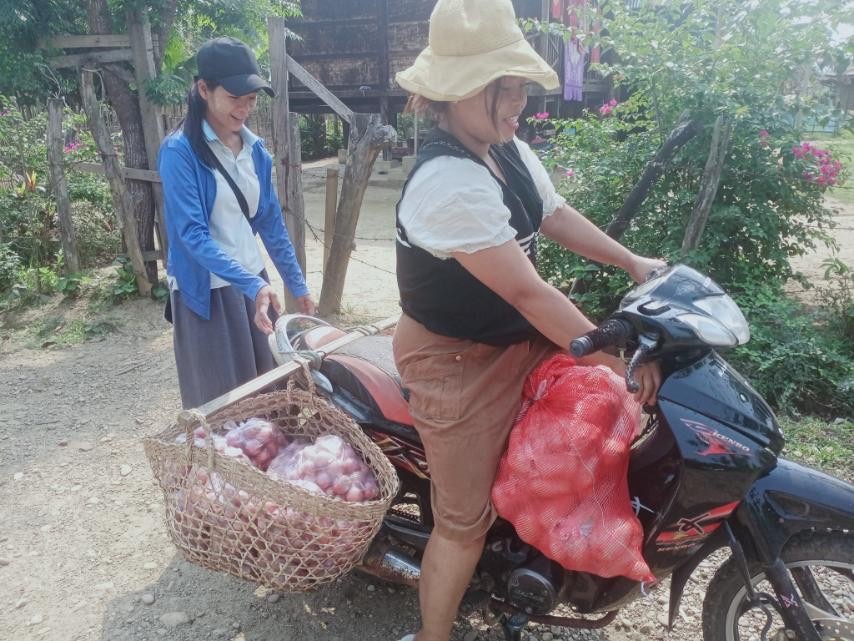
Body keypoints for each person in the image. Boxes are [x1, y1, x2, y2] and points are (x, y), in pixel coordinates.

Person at [390, 2, 665, 640]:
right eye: (502, 86)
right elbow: (528, 293)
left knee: (599, 417)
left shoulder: (502, 148)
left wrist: (634, 263)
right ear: (457, 90)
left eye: (519, 85)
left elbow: (553, 215)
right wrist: (615, 358)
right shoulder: (447, 182)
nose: (518, 100)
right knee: (463, 520)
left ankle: (539, 546)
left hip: (517, 339)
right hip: (455, 362)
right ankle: (433, 635)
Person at [158, 36, 314, 409]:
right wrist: (251, 283)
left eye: (251, 99)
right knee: (221, 403)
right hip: (207, 292)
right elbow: (191, 235)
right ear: (203, 89)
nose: (244, 108)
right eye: (234, 98)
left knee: (270, 393)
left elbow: (270, 222)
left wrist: (297, 285)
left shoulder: (255, 150)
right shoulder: (180, 152)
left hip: (253, 287)